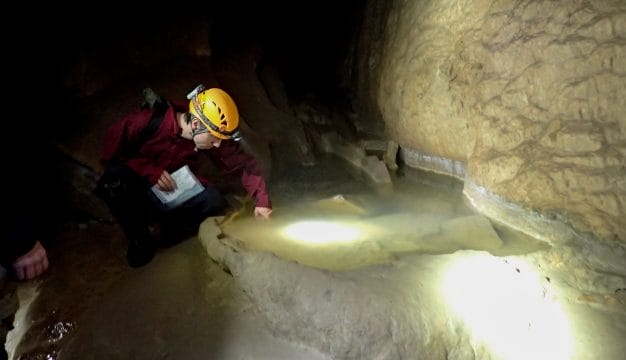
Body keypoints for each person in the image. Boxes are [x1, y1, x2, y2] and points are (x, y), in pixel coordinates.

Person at [95, 85, 272, 268]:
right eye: (215, 138)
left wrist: (262, 201)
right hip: (141, 184)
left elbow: (244, 163)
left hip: (175, 185)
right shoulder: (146, 122)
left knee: (214, 202)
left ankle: (171, 227)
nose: (218, 144)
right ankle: (140, 239)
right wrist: (149, 170)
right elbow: (110, 157)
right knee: (112, 183)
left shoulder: (205, 128)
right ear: (195, 124)